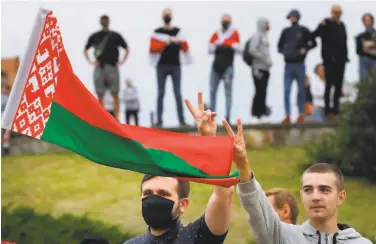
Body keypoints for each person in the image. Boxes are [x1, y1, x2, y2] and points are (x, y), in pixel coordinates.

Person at [221, 118, 372, 243]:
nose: (315, 197)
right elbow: (256, 211)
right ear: (302, 195)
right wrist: (243, 164)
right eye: (308, 190)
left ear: (341, 197)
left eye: (324, 189)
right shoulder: (283, 237)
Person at [123, 92, 234, 244]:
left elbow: (225, 192)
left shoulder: (197, 237)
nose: (154, 200)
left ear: (183, 204)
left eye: (163, 194)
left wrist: (209, 140)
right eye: (148, 193)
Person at [149, 8, 191, 128]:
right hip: (161, 65)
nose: (167, 16)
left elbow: (185, 47)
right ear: (163, 17)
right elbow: (152, 48)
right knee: (161, 93)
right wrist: (165, 43)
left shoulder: (178, 32)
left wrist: (176, 41)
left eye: (168, 15)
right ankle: (159, 121)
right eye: (165, 15)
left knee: (177, 93)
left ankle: (182, 121)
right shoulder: (157, 32)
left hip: (175, 65)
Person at [84, 15, 129, 121]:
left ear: (108, 21)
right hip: (100, 66)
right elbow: (86, 49)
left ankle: (117, 119)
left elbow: (126, 49)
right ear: (100, 22)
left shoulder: (115, 36)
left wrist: (122, 61)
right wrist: (91, 61)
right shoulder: (94, 36)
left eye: (106, 19)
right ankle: (102, 119)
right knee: (100, 93)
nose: (104, 21)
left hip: (113, 66)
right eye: (103, 19)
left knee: (115, 93)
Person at [278, 9, 317, 124]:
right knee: (286, 90)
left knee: (301, 90)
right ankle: (287, 115)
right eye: (291, 16)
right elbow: (279, 46)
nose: (292, 18)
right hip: (288, 65)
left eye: (294, 16)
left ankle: (301, 114)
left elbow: (314, 42)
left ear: (298, 17)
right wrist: (285, 52)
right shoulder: (285, 31)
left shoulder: (304, 30)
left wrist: (306, 49)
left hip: (300, 64)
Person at [312, 4, 349, 119]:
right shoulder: (326, 23)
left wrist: (346, 57)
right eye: (336, 12)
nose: (338, 15)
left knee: (338, 86)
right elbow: (315, 34)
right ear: (332, 12)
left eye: (340, 13)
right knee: (329, 85)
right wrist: (321, 25)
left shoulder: (342, 25)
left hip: (341, 60)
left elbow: (344, 42)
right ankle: (329, 111)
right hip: (329, 60)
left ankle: (336, 110)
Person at [208, 14, 241, 123]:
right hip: (216, 67)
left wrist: (221, 45)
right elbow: (210, 48)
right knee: (212, 92)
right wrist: (227, 46)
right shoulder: (216, 33)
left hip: (228, 67)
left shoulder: (234, 33)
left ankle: (227, 116)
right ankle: (212, 117)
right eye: (224, 20)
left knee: (228, 93)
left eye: (227, 21)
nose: (225, 23)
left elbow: (238, 47)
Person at [248, 17, 272, 122]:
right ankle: (256, 113)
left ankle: (262, 112)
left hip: (265, 68)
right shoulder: (257, 36)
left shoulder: (265, 37)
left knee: (263, 91)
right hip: (258, 68)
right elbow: (252, 50)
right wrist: (263, 58)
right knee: (259, 90)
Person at [356, 13, 376, 79]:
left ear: (372, 21)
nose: (367, 22)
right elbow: (358, 50)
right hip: (364, 61)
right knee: (364, 81)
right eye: (365, 20)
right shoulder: (360, 36)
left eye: (368, 20)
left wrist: (372, 44)